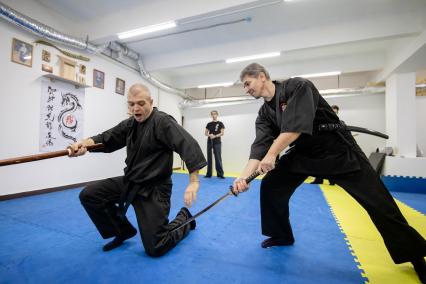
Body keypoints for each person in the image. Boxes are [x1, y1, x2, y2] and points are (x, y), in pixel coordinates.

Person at [232, 63, 426, 283]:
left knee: (378, 201)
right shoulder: (264, 113)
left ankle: (416, 256)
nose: (246, 89)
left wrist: (272, 154)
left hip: (337, 149)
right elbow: (259, 147)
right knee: (271, 185)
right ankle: (281, 235)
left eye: (247, 84)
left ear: (262, 76)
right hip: (304, 153)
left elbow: (294, 127)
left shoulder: (298, 86)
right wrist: (242, 176)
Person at [68, 83, 207, 257]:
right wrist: (83, 144)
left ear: (150, 101)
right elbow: (106, 138)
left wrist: (194, 182)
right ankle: (123, 230)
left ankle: (185, 218)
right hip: (131, 182)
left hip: (154, 190)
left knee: (157, 246)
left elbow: (188, 144)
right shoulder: (130, 124)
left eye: (140, 103)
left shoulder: (162, 122)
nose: (135, 108)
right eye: (131, 104)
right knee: (90, 195)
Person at [310, 105, 340, 185]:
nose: (334, 113)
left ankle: (332, 180)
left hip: (333, 145)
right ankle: (318, 179)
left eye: (336, 112)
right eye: (333, 111)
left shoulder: (338, 122)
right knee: (319, 162)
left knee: (331, 163)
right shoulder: (322, 120)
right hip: (322, 144)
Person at [204, 110, 225, 179]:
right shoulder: (209, 124)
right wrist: (209, 135)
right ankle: (209, 174)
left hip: (217, 142)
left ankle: (220, 174)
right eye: (212, 114)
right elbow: (205, 133)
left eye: (215, 114)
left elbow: (222, 133)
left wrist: (215, 136)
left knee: (218, 158)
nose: (213, 115)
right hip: (209, 142)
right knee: (209, 158)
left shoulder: (220, 123)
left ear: (217, 115)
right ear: (211, 115)